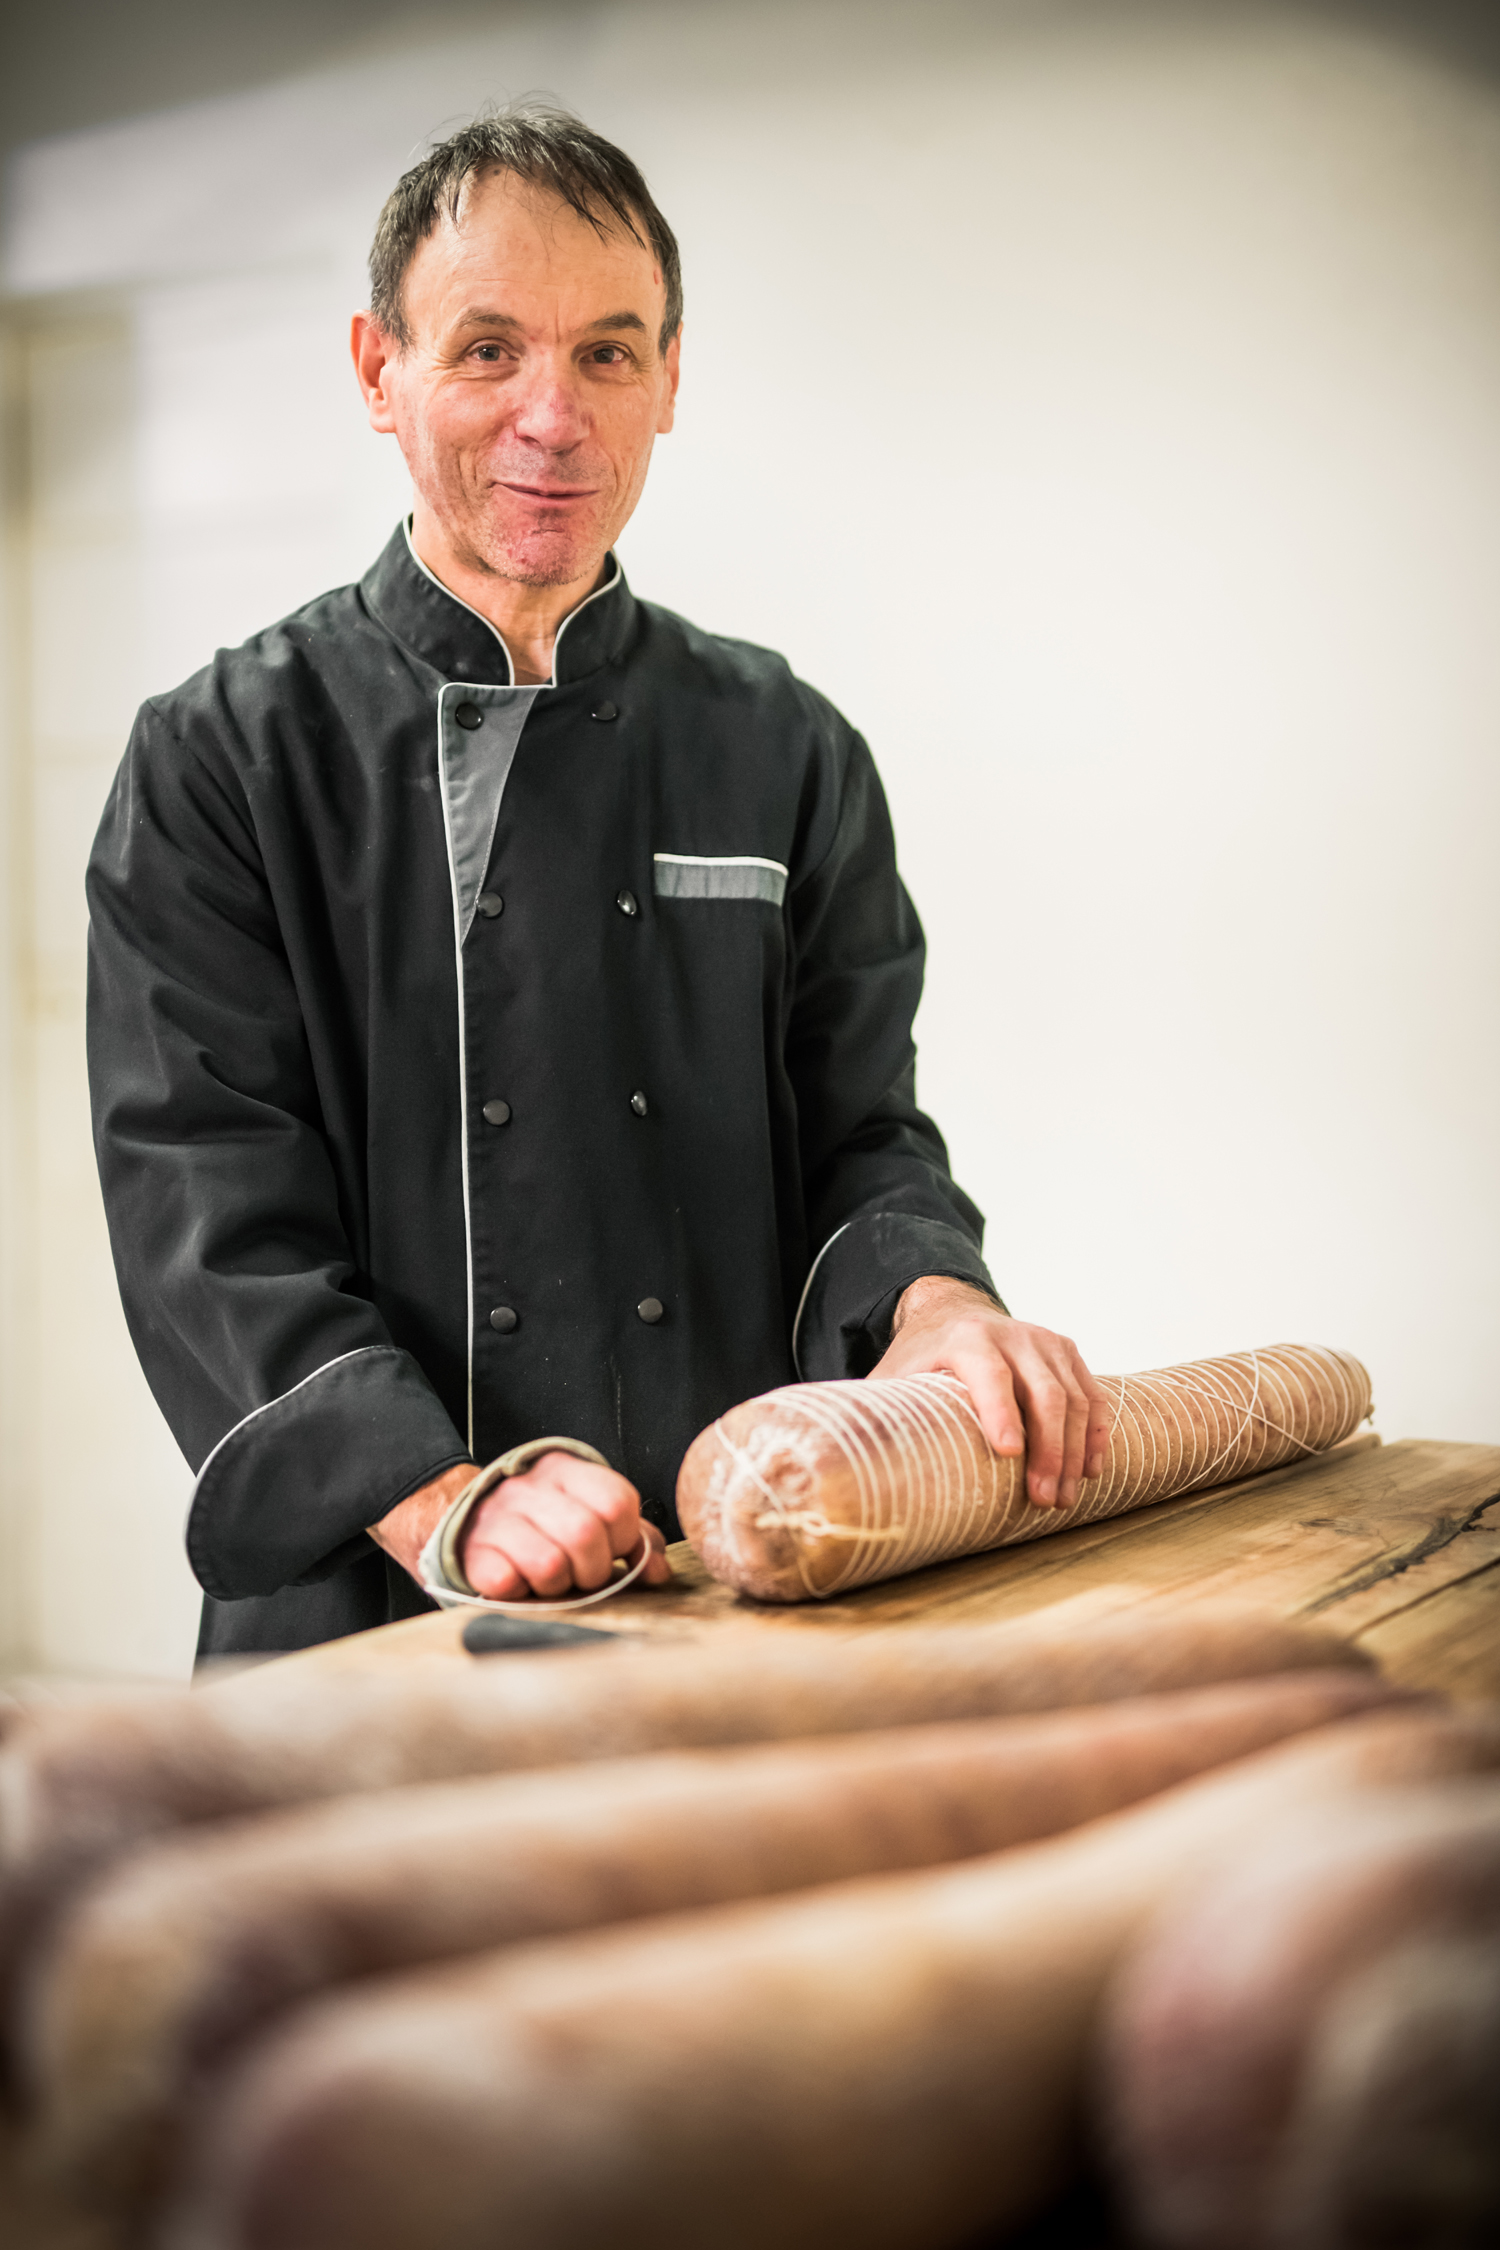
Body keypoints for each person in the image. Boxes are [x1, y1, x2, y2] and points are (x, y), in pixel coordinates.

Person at [87, 107, 1110, 1660]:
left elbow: (865, 1135)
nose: (552, 417)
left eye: (610, 353)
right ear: (380, 368)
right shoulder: (221, 758)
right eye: (488, 348)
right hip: (369, 1619)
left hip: (740, 1578)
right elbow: (208, 1209)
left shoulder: (785, 745)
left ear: (672, 380)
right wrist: (445, 1497)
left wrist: (937, 1304)